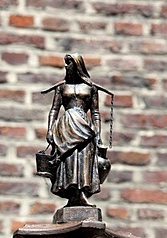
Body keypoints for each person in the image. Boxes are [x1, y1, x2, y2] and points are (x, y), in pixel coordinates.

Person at [41, 53, 113, 207]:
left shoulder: (90, 88)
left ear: (77, 64)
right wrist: (50, 129)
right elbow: (54, 109)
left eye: (69, 63)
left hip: (84, 127)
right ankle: (72, 194)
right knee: (67, 159)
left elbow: (95, 112)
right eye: (65, 63)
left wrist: (98, 134)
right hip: (66, 126)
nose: (66, 67)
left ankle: (82, 193)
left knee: (84, 159)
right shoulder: (61, 87)